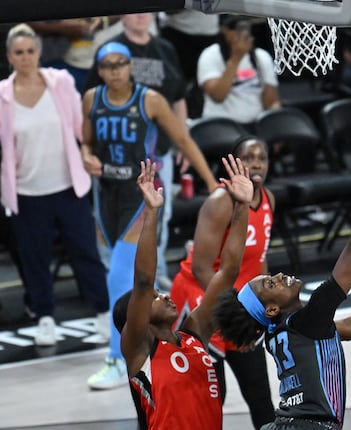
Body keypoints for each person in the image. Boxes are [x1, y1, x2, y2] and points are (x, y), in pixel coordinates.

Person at [211, 122, 351, 429]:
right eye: (270, 283)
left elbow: (345, 329)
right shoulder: (307, 320)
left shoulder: (277, 331)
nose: (279, 275)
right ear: (271, 309)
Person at [82, 41, 217, 390]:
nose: (115, 70)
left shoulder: (150, 100)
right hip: (106, 196)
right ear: (99, 70)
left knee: (118, 277)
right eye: (107, 65)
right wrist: (86, 155)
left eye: (121, 63)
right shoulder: (91, 99)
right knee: (135, 278)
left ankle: (116, 359)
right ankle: (184, 331)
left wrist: (210, 184)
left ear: (130, 66)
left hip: (142, 195)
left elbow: (184, 141)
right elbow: (87, 141)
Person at [113, 156, 252, 429]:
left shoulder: (195, 334)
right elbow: (142, 279)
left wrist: (242, 208)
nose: (163, 295)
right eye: (154, 297)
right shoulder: (140, 351)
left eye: (159, 292)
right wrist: (151, 213)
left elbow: (228, 272)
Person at [0, 23, 110, 346]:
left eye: (30, 51)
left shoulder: (60, 83)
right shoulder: (2, 96)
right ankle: (45, 317)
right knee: (35, 259)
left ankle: (103, 313)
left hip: (68, 187)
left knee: (85, 253)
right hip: (26, 192)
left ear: (39, 52)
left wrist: (88, 155)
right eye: (18, 53)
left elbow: (81, 130)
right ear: (9, 56)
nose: (25, 58)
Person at [170, 135, 275, 429]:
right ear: (234, 162)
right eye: (249, 157)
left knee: (259, 391)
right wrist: (236, 313)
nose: (256, 164)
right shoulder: (220, 201)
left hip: (240, 305)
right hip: (203, 297)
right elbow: (203, 268)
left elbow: (260, 260)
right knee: (213, 396)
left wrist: (261, 306)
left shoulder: (268, 199)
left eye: (262, 157)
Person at [87, 13, 190, 291]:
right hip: (118, 155)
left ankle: (154, 274)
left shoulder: (165, 49)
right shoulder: (109, 50)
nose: (142, 15)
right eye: (135, 9)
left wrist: (184, 139)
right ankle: (117, 274)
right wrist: (91, 151)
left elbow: (178, 97)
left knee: (160, 213)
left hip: (159, 152)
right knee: (112, 215)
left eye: (147, 9)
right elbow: (92, 105)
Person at [197, 14, 281, 129]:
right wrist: (236, 58)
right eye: (238, 30)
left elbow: (270, 103)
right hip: (220, 124)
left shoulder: (261, 57)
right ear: (225, 31)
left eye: (246, 30)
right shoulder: (210, 55)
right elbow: (218, 96)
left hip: (255, 123)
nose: (242, 34)